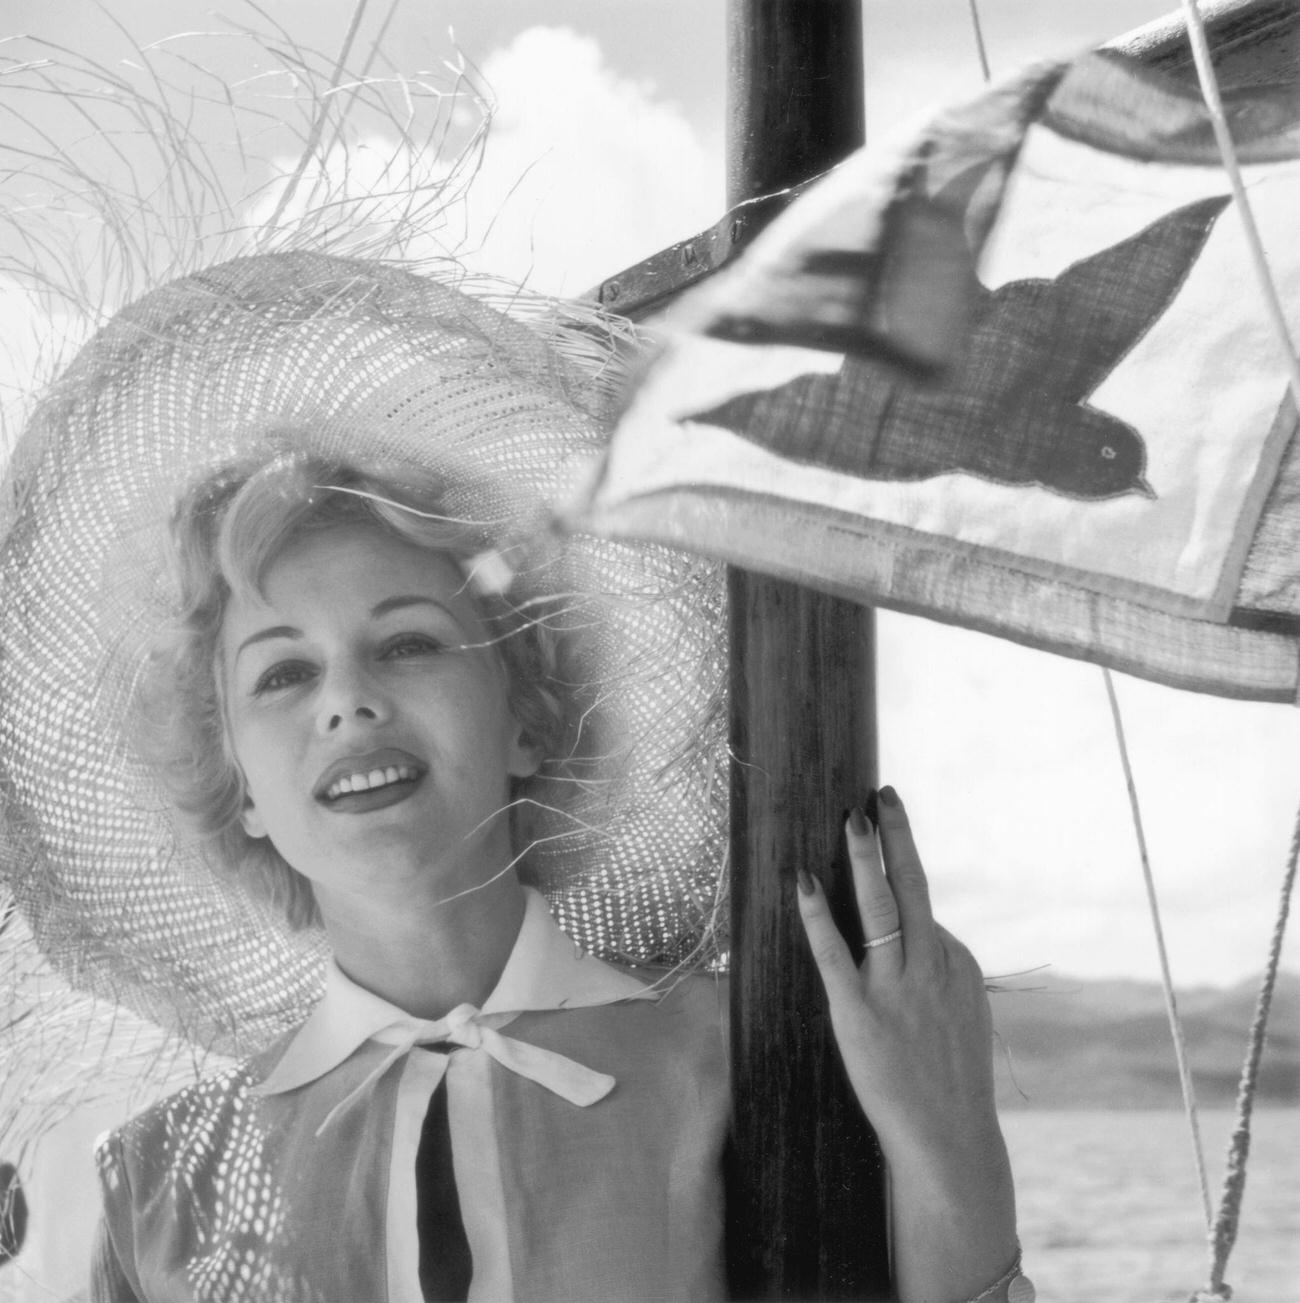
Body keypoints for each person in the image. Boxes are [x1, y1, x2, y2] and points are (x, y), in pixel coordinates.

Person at [0, 252, 1023, 1302]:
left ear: (529, 718)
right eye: (284, 672)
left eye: (407, 643)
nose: (345, 700)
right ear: (239, 788)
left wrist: (949, 1142)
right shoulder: (159, 1188)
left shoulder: (751, 1056)